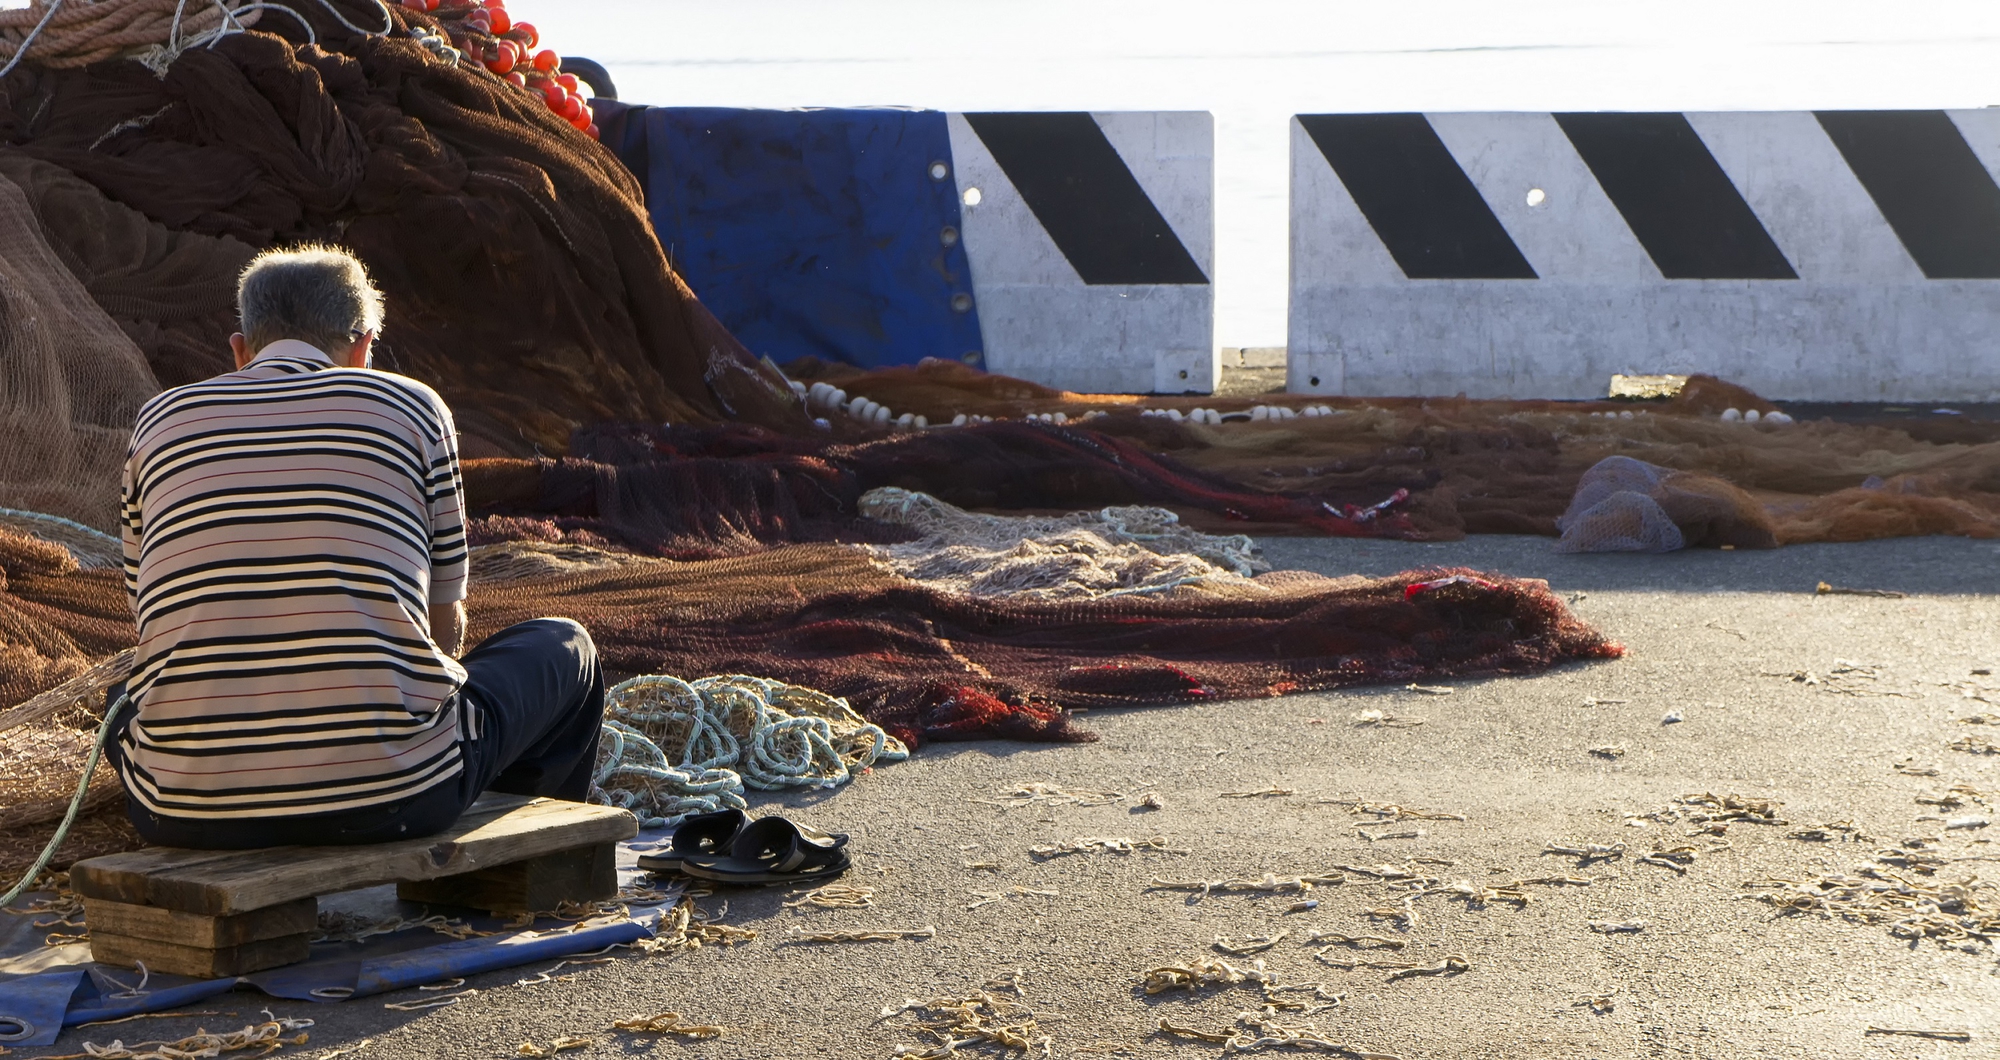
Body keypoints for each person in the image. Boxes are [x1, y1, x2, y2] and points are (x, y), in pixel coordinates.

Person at [109, 245, 603, 849]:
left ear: (240, 350)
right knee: (566, 646)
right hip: (400, 799)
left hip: (177, 810)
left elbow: (148, 613)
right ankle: (520, 858)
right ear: (364, 349)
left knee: (120, 701)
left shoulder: (159, 420)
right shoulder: (413, 407)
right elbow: (445, 621)